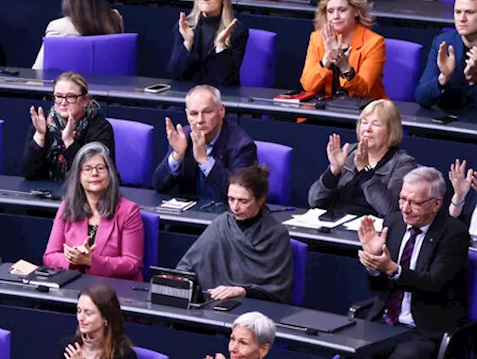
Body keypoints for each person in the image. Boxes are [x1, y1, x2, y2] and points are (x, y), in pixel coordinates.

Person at [356, 166, 468, 359]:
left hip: (424, 330)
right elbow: (377, 285)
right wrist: (374, 264)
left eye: (414, 203)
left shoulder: (453, 234)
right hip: (384, 321)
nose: (405, 208)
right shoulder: (394, 222)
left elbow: (434, 283)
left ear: (436, 203)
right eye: (402, 199)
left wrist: (393, 269)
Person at [178, 165, 294, 303]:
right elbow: (188, 266)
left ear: (261, 200)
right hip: (212, 301)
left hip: (254, 308)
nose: (235, 207)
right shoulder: (220, 224)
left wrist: (243, 291)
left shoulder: (277, 234)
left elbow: (277, 290)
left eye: (243, 201)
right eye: (231, 199)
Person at [43, 143, 143, 281]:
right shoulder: (67, 206)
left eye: (100, 168)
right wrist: (72, 259)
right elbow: (50, 256)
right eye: (87, 169)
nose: (94, 173)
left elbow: (132, 263)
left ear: (110, 173)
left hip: (112, 290)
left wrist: (91, 261)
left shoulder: (129, 211)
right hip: (72, 285)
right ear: (78, 176)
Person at [308, 99, 415, 218]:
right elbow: (314, 201)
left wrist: (365, 171)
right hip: (334, 222)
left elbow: (390, 210)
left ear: (391, 131)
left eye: (376, 124)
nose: (367, 129)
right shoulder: (349, 152)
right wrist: (334, 171)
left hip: (370, 230)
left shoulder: (402, 164)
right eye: (364, 123)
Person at [152, 84, 258, 200]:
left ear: (221, 111)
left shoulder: (241, 145)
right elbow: (158, 186)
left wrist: (204, 160)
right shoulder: (184, 137)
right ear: (187, 115)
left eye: (207, 112)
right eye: (194, 114)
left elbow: (239, 195)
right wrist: (177, 156)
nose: (200, 120)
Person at [24, 72, 116, 181]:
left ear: (85, 100)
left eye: (71, 97)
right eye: (58, 96)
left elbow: (93, 176)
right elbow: (28, 173)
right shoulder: (43, 123)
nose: (63, 102)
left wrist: (69, 141)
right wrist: (40, 136)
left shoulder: (100, 128)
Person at [301, 0, 387, 99]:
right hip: (325, 107)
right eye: (330, 11)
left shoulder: (374, 43)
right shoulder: (317, 38)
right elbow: (308, 86)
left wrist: (345, 67)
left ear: (355, 11)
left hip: (363, 111)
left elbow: (364, 91)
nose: (335, 16)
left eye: (342, 10)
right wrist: (327, 59)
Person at [168, 0, 249, 86]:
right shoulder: (186, 26)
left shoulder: (236, 31)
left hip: (218, 98)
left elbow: (227, 81)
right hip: (188, 97)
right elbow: (174, 73)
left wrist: (221, 46)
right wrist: (187, 43)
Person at [32, 0, 124, 69]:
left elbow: (38, 71)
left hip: (73, 84)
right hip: (110, 83)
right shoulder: (115, 18)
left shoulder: (57, 28)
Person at [415, 0, 477, 111]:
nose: (462, 19)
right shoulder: (443, 42)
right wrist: (443, 77)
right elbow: (421, 97)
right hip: (450, 122)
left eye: (469, 12)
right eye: (457, 12)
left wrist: (473, 81)